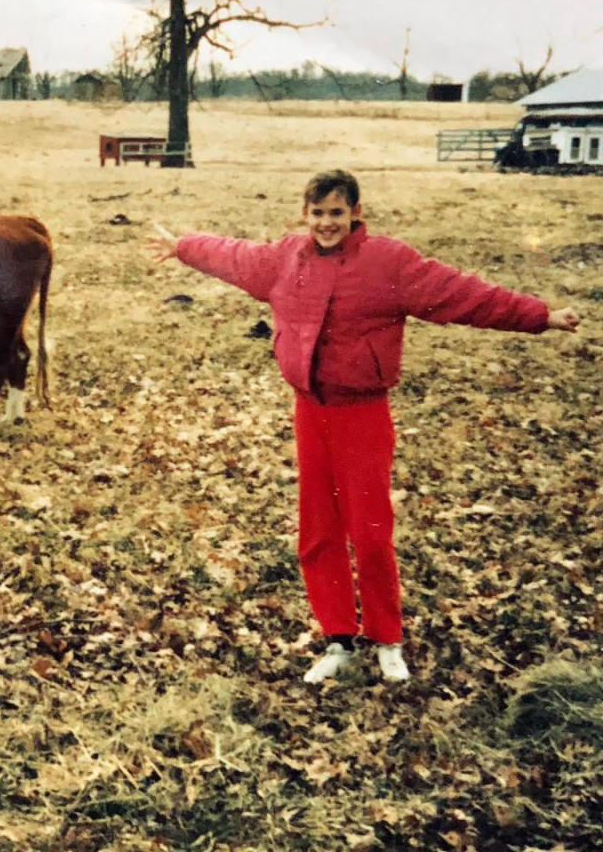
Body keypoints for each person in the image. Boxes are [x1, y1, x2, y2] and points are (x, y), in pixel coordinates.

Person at [148, 169, 580, 684]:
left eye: (336, 213)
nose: (326, 223)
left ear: (355, 212)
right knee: (318, 527)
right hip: (311, 410)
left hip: (363, 414)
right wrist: (184, 247)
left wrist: (540, 316)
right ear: (304, 214)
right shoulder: (284, 259)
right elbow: (232, 254)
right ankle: (337, 636)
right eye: (317, 213)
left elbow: (464, 294)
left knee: (370, 531)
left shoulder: (390, 262)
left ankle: (386, 637)